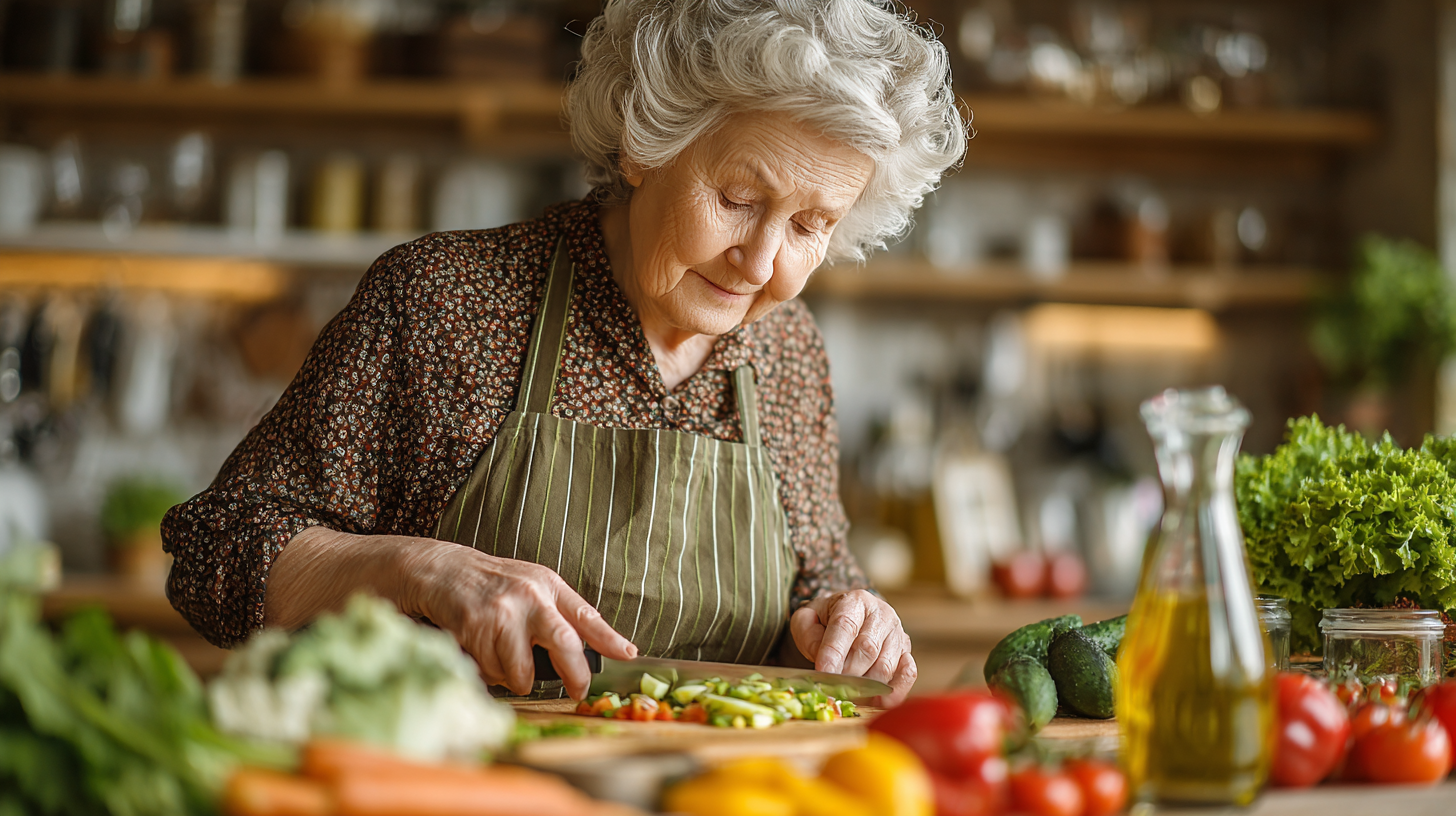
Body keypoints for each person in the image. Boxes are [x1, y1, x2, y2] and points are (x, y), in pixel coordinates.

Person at [163, 0, 966, 705]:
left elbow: (813, 602)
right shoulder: (445, 300)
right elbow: (220, 548)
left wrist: (845, 625)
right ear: (645, 144)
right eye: (737, 199)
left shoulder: (788, 353)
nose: (759, 263)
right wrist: (414, 569)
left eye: (809, 226)